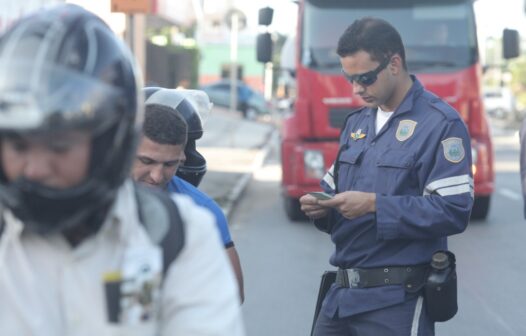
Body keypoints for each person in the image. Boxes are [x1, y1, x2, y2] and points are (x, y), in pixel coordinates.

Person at [0, 4, 245, 335]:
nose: (35, 168)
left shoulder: (181, 238)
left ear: (109, 143)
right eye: (18, 146)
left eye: (59, 147)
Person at [300, 17, 473, 335]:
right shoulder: (356, 124)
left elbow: (454, 211)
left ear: (394, 63)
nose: (356, 89)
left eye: (365, 78)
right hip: (341, 296)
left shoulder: (441, 124)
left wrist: (375, 205)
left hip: (396, 301)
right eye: (349, 78)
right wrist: (320, 207)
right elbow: (333, 192)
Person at [132, 87, 245, 302]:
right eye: (146, 161)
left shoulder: (203, 213)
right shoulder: (91, 199)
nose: (156, 176)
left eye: (169, 164)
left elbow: (232, 296)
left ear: (182, 158)